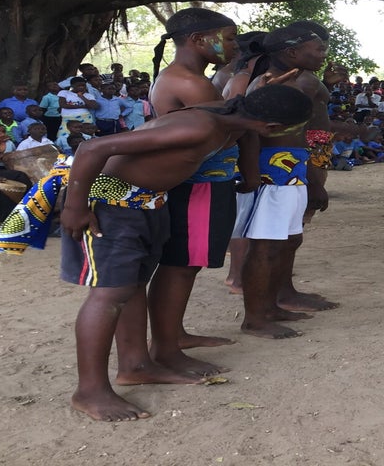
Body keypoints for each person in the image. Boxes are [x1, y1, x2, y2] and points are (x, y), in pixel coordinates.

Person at [58, 84, 311, 421]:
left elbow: (247, 137)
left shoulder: (232, 119)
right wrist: (74, 207)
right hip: (112, 203)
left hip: (148, 202)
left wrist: (250, 176)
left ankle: (137, 365)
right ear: (273, 127)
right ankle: (89, 391)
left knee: (133, 285)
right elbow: (93, 148)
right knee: (111, 293)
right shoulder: (200, 126)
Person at [147, 8, 253, 374]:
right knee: (181, 265)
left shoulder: (188, 78)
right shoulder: (190, 83)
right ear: (197, 40)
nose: (234, 46)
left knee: (184, 265)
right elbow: (225, 132)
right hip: (198, 185)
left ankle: (174, 335)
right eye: (229, 38)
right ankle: (166, 349)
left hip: (203, 182)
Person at [236, 20, 347, 339]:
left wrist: (309, 177)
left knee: (286, 239)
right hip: (274, 170)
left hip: (289, 167)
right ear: (293, 52)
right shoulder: (276, 85)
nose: (324, 54)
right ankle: (255, 318)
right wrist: (313, 181)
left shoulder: (293, 80)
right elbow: (253, 133)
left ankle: (273, 304)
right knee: (265, 245)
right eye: (319, 49)